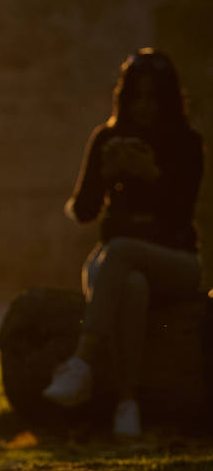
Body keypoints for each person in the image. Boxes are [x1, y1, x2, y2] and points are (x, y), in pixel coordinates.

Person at [42, 49, 204, 435]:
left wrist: (151, 176)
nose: (144, 106)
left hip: (174, 260)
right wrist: (105, 173)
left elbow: (182, 215)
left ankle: (81, 363)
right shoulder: (108, 137)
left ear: (168, 100)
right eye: (137, 96)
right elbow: (82, 211)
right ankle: (127, 405)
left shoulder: (186, 143)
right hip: (116, 266)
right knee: (131, 284)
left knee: (121, 251)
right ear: (124, 97)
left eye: (154, 97)